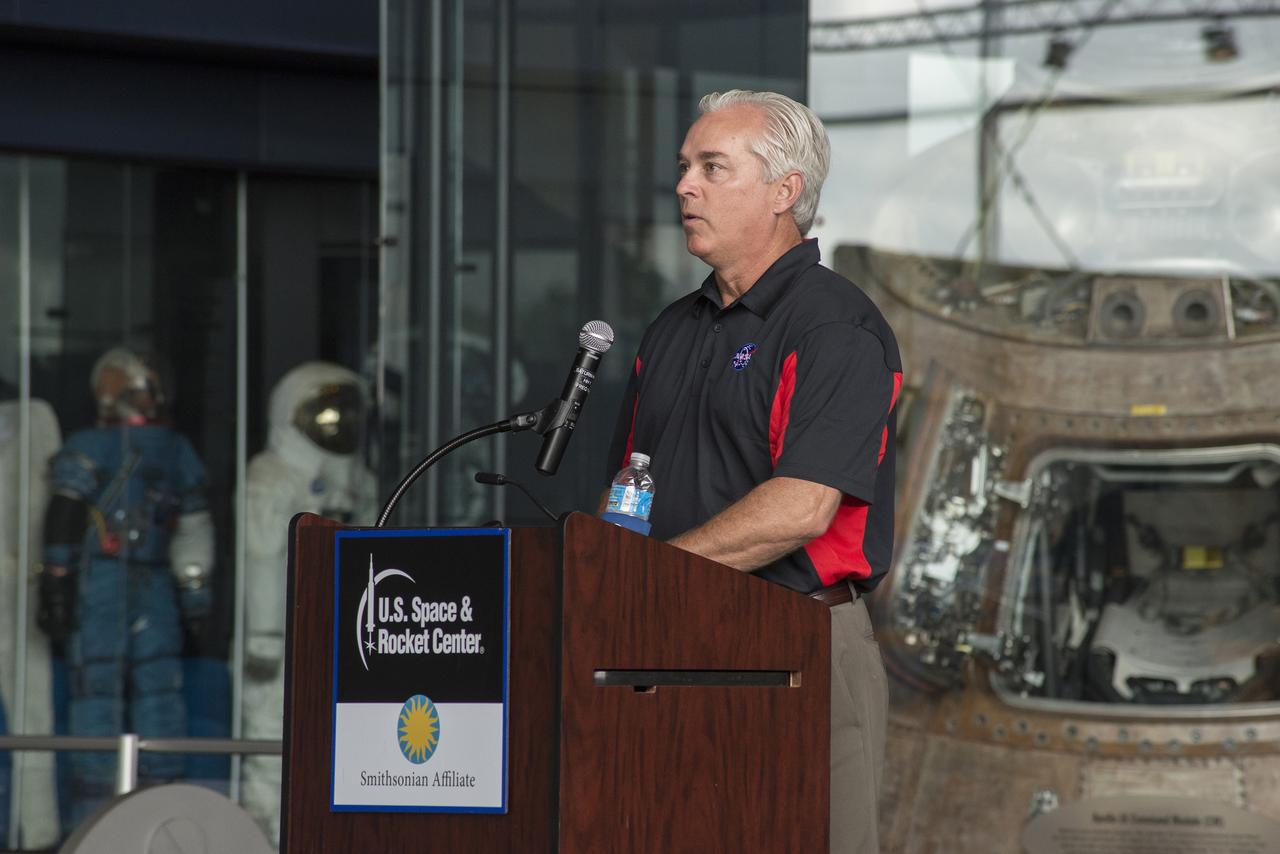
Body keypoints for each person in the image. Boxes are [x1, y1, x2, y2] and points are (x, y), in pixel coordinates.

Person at [603, 90, 901, 854]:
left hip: (800, 645)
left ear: (784, 192)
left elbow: (802, 507)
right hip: (667, 645)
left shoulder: (834, 324)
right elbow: (630, 493)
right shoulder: (670, 329)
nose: (683, 187)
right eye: (682, 167)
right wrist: (604, 582)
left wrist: (655, 577)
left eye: (711, 167)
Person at [38, 347, 214, 832]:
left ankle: (163, 816)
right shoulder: (90, 447)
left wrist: (194, 591)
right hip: (103, 581)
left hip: (152, 579)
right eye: (135, 388)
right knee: (96, 690)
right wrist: (57, 583)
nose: (145, 397)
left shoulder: (176, 451)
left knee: (161, 691)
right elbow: (66, 514)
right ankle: (93, 820)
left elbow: (193, 526)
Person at [241, 361, 376, 843]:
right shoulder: (271, 476)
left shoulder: (359, 480)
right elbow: (260, 558)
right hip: (280, 633)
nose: (340, 424)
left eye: (348, 413)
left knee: (337, 745)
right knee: (270, 740)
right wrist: (263, 635)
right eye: (327, 412)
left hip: (342, 631)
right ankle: (266, 839)